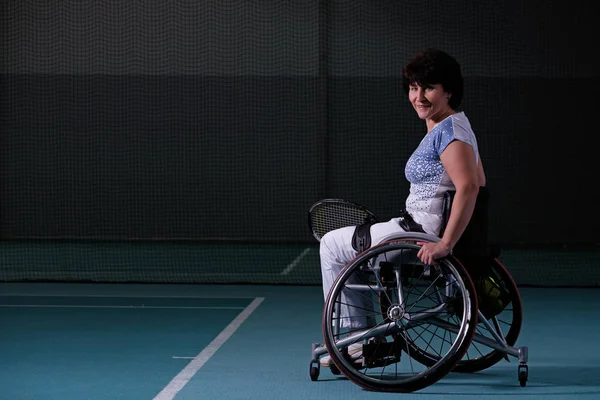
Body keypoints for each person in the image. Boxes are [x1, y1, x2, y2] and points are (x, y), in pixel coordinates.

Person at [319, 48, 486, 366]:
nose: (419, 96)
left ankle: (356, 342)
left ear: (448, 90)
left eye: (428, 87)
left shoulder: (450, 132)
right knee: (350, 248)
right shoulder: (452, 126)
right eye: (413, 87)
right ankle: (365, 337)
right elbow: (480, 178)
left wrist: (445, 244)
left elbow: (470, 185)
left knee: (331, 245)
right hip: (416, 226)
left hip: (419, 234)